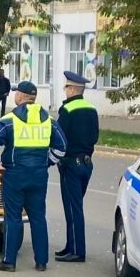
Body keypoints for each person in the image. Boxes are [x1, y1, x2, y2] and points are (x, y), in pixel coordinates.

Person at [0, 80, 66, 273]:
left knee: (13, 218)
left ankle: (9, 261)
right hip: (38, 175)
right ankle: (41, 262)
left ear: (20, 96)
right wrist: (47, 162)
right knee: (38, 217)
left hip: (14, 175)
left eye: (16, 93)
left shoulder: (9, 120)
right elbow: (61, 146)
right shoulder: (48, 120)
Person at [55, 71, 99, 263]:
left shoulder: (67, 110)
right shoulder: (91, 109)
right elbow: (95, 136)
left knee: (73, 208)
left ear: (72, 89)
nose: (65, 91)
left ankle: (77, 251)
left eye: (66, 88)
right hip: (87, 163)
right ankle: (70, 245)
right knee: (75, 206)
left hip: (71, 163)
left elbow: (59, 136)